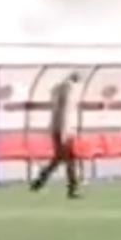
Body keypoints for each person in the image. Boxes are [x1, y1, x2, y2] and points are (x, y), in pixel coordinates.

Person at [31, 71, 82, 199]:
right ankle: (73, 188)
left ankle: (40, 181)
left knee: (59, 159)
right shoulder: (69, 92)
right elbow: (65, 113)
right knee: (70, 159)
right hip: (64, 130)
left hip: (59, 129)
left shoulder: (59, 91)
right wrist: (66, 131)